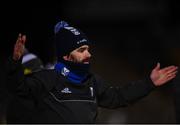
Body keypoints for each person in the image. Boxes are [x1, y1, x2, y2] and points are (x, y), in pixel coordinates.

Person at [6, 20, 178, 124]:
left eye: (87, 49)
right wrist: (15, 61)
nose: (88, 54)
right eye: (81, 50)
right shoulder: (49, 78)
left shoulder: (92, 81)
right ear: (67, 55)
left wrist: (149, 83)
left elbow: (118, 97)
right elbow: (19, 88)